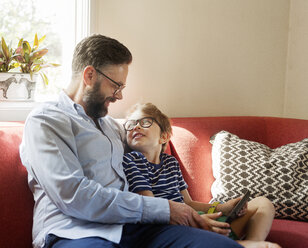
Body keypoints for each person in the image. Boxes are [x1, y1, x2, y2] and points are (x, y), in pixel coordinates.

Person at [20, 34, 244, 248]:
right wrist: (164, 209)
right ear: (89, 76)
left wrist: (212, 208)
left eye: (122, 88)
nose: (119, 96)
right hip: (75, 232)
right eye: (116, 86)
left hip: (134, 228)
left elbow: (150, 148)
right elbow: (74, 196)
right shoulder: (46, 121)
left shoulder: (111, 126)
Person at [122, 102, 281, 248]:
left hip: (197, 218)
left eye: (144, 122)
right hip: (173, 225)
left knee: (263, 203)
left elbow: (189, 203)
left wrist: (221, 208)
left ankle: (250, 242)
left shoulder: (171, 162)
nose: (136, 127)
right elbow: (152, 207)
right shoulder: (133, 160)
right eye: (130, 125)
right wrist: (195, 222)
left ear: (164, 136)